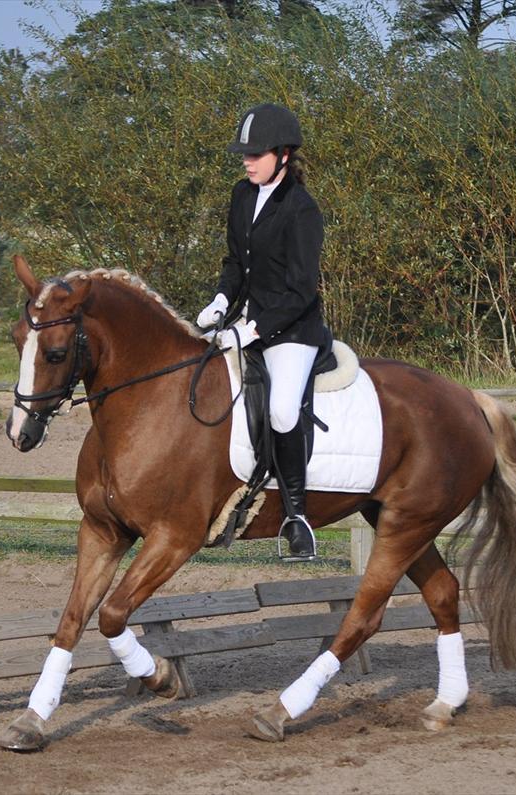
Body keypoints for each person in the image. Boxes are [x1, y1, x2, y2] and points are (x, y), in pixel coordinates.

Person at [196, 102, 328, 562]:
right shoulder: (242, 194)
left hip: (292, 331)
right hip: (246, 320)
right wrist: (219, 300)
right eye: (244, 155)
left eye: (256, 155)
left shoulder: (302, 210)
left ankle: (297, 517)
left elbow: (301, 290)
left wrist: (250, 331)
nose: (247, 162)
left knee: (284, 410)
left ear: (284, 154)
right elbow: (237, 263)